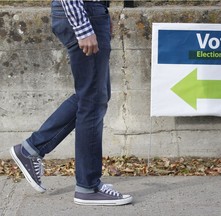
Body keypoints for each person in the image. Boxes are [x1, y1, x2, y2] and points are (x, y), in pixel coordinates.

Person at [9, 0, 133, 206]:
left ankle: (31, 149)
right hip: (84, 12)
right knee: (92, 100)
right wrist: (84, 27)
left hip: (93, 12)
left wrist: (104, 12)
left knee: (94, 96)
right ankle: (88, 187)